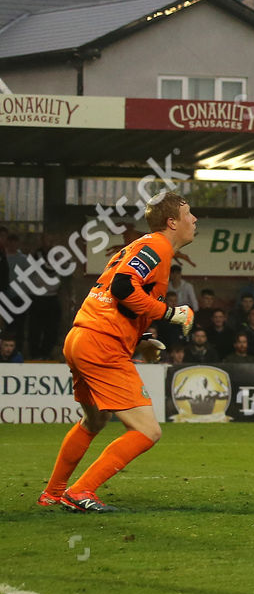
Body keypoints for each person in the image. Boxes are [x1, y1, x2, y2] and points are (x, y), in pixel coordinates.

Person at [38, 192, 197, 513]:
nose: (194, 220)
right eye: (189, 214)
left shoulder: (141, 246)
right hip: (102, 343)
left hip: (81, 335)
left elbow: (120, 295)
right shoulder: (159, 246)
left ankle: (54, 492)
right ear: (172, 222)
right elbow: (123, 289)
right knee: (147, 431)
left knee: (94, 419)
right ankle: (80, 491)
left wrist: (144, 337)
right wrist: (171, 313)